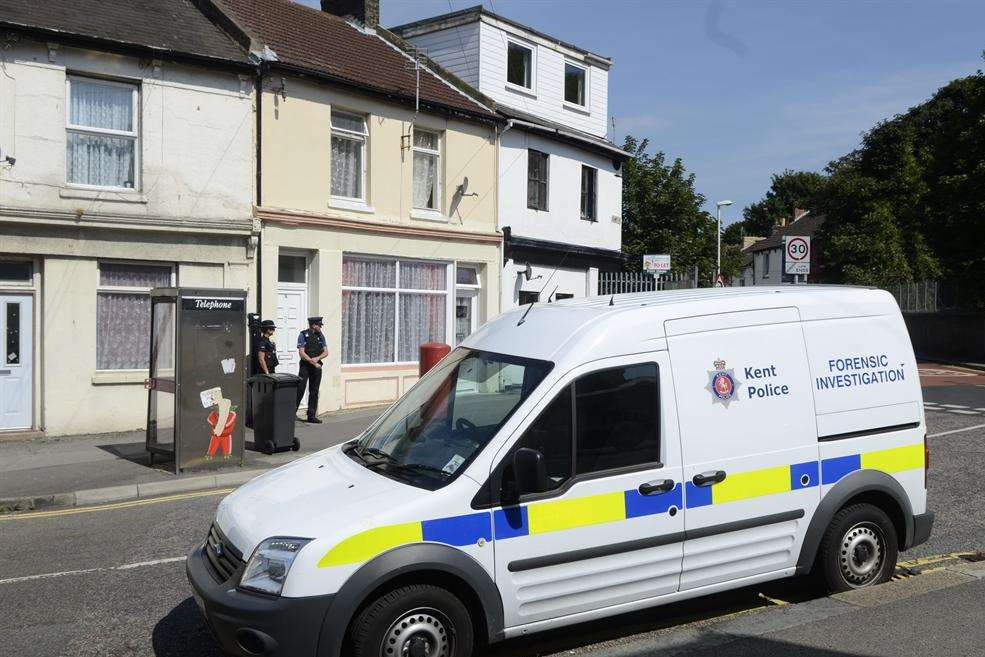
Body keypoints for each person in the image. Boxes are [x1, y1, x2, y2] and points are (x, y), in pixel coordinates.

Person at [296, 316, 329, 423]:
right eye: (319, 325)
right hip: (305, 366)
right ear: (314, 325)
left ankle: (311, 415)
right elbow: (301, 352)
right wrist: (312, 361)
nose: (321, 327)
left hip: (317, 367)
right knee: (300, 389)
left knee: (314, 391)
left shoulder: (321, 336)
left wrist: (318, 358)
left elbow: (326, 352)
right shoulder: (303, 335)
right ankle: (291, 414)